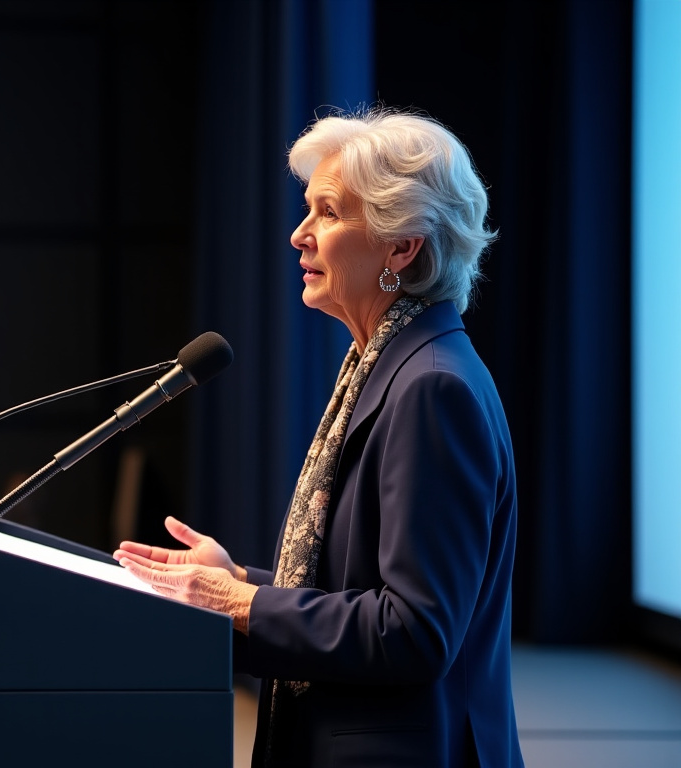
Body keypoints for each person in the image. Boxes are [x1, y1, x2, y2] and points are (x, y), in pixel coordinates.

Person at [115, 109, 522, 767]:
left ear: (401, 246)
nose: (299, 235)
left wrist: (244, 603)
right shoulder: (382, 365)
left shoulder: (432, 388)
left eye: (328, 213)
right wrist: (237, 587)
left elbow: (415, 631)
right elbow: (356, 592)